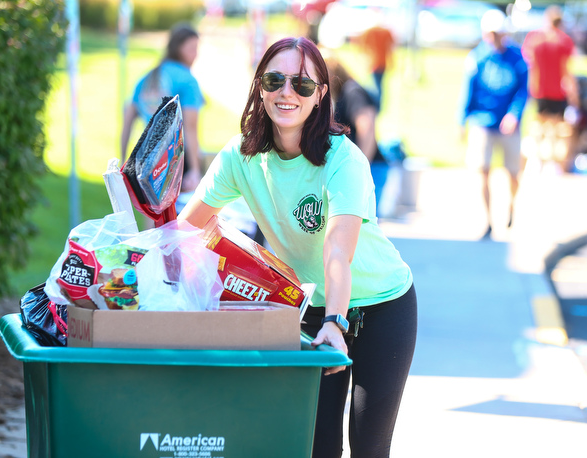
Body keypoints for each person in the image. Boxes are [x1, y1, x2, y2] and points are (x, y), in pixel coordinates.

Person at [178, 37, 417, 458]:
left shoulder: (344, 160)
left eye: (302, 84)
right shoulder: (241, 157)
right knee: (315, 445)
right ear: (260, 86)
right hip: (312, 309)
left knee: (368, 446)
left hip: (383, 308)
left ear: (321, 95)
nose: (287, 93)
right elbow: (186, 229)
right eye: (276, 80)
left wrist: (336, 322)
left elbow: (337, 251)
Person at [460, 9, 528, 239]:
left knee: (512, 172)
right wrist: (462, 120)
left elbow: (523, 91)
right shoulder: (477, 57)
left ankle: (511, 205)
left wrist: (514, 115)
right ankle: (488, 220)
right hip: (482, 120)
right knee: (483, 170)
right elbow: (467, 90)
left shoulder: (517, 58)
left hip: (508, 123)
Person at [121, 23, 204, 192]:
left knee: (151, 215)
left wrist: (122, 162)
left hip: (146, 159)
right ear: (178, 49)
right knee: (181, 216)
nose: (196, 54)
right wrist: (195, 170)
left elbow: (127, 121)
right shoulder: (187, 81)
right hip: (178, 159)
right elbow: (190, 128)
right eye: (192, 48)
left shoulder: (148, 77)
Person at [326, 56, 390, 216]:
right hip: (366, 165)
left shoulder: (352, 91)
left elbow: (367, 127)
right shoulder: (345, 93)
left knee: (363, 225)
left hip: (371, 165)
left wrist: (361, 167)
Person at [521, 5, 578, 173]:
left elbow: (531, 67)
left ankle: (537, 159)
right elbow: (566, 70)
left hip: (540, 90)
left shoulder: (535, 39)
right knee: (556, 129)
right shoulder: (564, 41)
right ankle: (552, 162)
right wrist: (573, 93)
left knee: (538, 126)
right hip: (557, 91)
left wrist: (532, 88)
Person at [358, 20, 394, 107]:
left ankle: (376, 106)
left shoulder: (370, 31)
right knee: (378, 87)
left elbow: (362, 45)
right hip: (382, 63)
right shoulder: (385, 32)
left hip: (375, 63)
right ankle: (376, 106)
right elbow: (391, 47)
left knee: (376, 87)